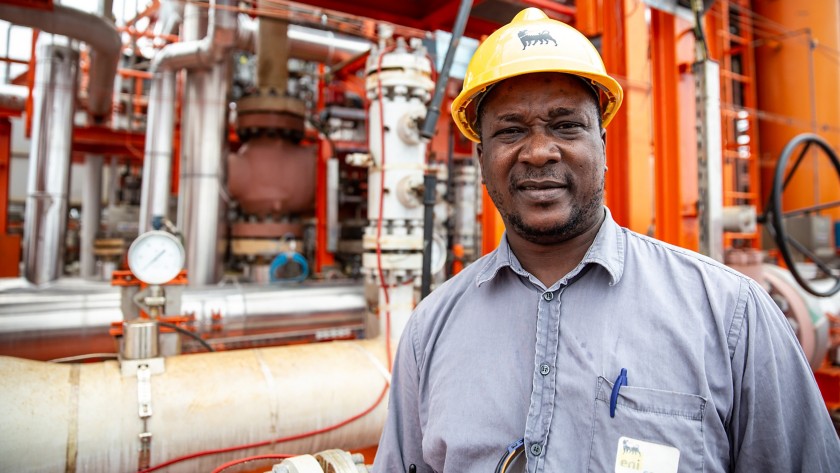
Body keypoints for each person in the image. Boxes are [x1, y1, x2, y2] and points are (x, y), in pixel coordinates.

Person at [372, 7, 840, 473]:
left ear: (603, 142)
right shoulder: (430, 331)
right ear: (481, 155)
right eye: (511, 130)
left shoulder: (729, 316)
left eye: (565, 125)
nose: (538, 152)